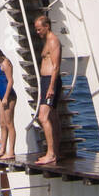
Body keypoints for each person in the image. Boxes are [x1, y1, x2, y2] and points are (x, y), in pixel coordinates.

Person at [34, 14, 62, 165]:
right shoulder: (47, 41)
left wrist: (51, 87)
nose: (38, 32)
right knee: (52, 117)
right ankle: (55, 151)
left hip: (50, 81)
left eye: (39, 29)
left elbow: (56, 66)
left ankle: (50, 153)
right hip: (46, 81)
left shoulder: (53, 41)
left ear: (47, 26)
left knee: (43, 117)